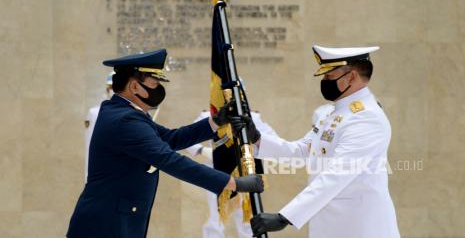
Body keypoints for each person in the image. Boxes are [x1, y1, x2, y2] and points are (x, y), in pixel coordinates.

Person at [67, 49, 264, 238]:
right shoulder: (125, 120)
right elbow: (168, 159)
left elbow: (170, 139)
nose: (159, 89)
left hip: (113, 221)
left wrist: (216, 122)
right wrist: (232, 183)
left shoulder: (125, 113)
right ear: (135, 86)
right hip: (105, 226)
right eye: (154, 83)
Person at [245, 45, 400, 238]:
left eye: (329, 76)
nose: (325, 82)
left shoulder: (367, 117)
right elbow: (302, 151)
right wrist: (256, 138)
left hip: (360, 226)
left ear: (351, 77)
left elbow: (337, 175)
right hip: (332, 225)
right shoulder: (332, 113)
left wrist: (284, 217)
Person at [186, 111, 277, 238]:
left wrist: (255, 142)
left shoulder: (251, 116)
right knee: (215, 220)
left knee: (248, 220)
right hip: (217, 172)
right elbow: (188, 137)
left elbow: (273, 139)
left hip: (246, 172)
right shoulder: (209, 115)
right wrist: (202, 150)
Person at [84, 71, 114, 180]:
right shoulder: (96, 113)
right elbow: (90, 146)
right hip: (101, 175)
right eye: (111, 87)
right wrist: (88, 178)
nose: (113, 91)